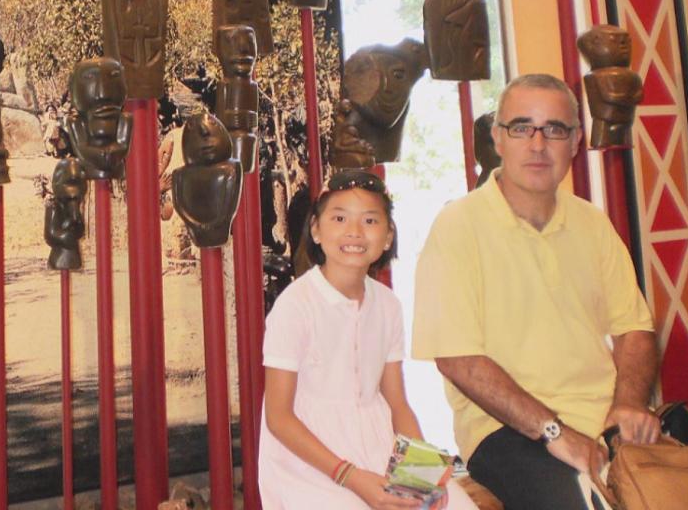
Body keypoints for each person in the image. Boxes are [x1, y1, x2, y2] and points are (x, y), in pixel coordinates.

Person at [412, 74, 659, 509]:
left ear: (576, 141)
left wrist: (628, 406)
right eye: (522, 127)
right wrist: (555, 433)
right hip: (506, 432)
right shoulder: (458, 227)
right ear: (498, 137)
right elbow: (457, 359)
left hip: (602, 419)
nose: (539, 143)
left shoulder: (593, 224)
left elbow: (635, 330)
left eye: (556, 129)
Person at [260, 169, 477, 510]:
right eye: (340, 218)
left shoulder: (387, 304)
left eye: (370, 221)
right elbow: (278, 418)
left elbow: (397, 403)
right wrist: (351, 477)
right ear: (316, 230)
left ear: (388, 236)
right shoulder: (295, 305)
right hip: (310, 462)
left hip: (378, 446)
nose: (354, 232)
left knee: (457, 506)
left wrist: (423, 477)